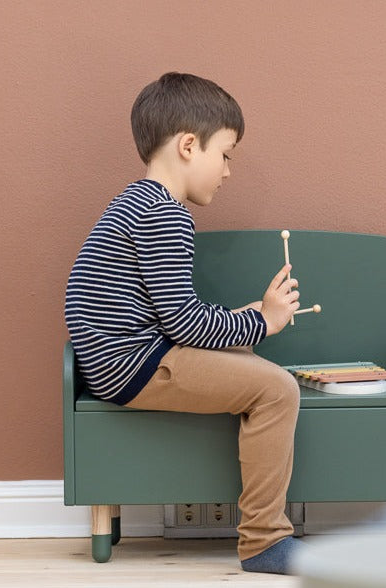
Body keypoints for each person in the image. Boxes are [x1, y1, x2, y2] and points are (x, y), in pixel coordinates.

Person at [65, 72, 302, 574]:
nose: (228, 171)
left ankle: (264, 534)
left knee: (245, 357)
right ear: (189, 146)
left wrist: (252, 317)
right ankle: (265, 540)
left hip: (120, 357)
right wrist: (264, 323)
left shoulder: (135, 202)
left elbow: (172, 315)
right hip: (134, 363)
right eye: (226, 154)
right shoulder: (166, 215)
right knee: (279, 390)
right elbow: (186, 325)